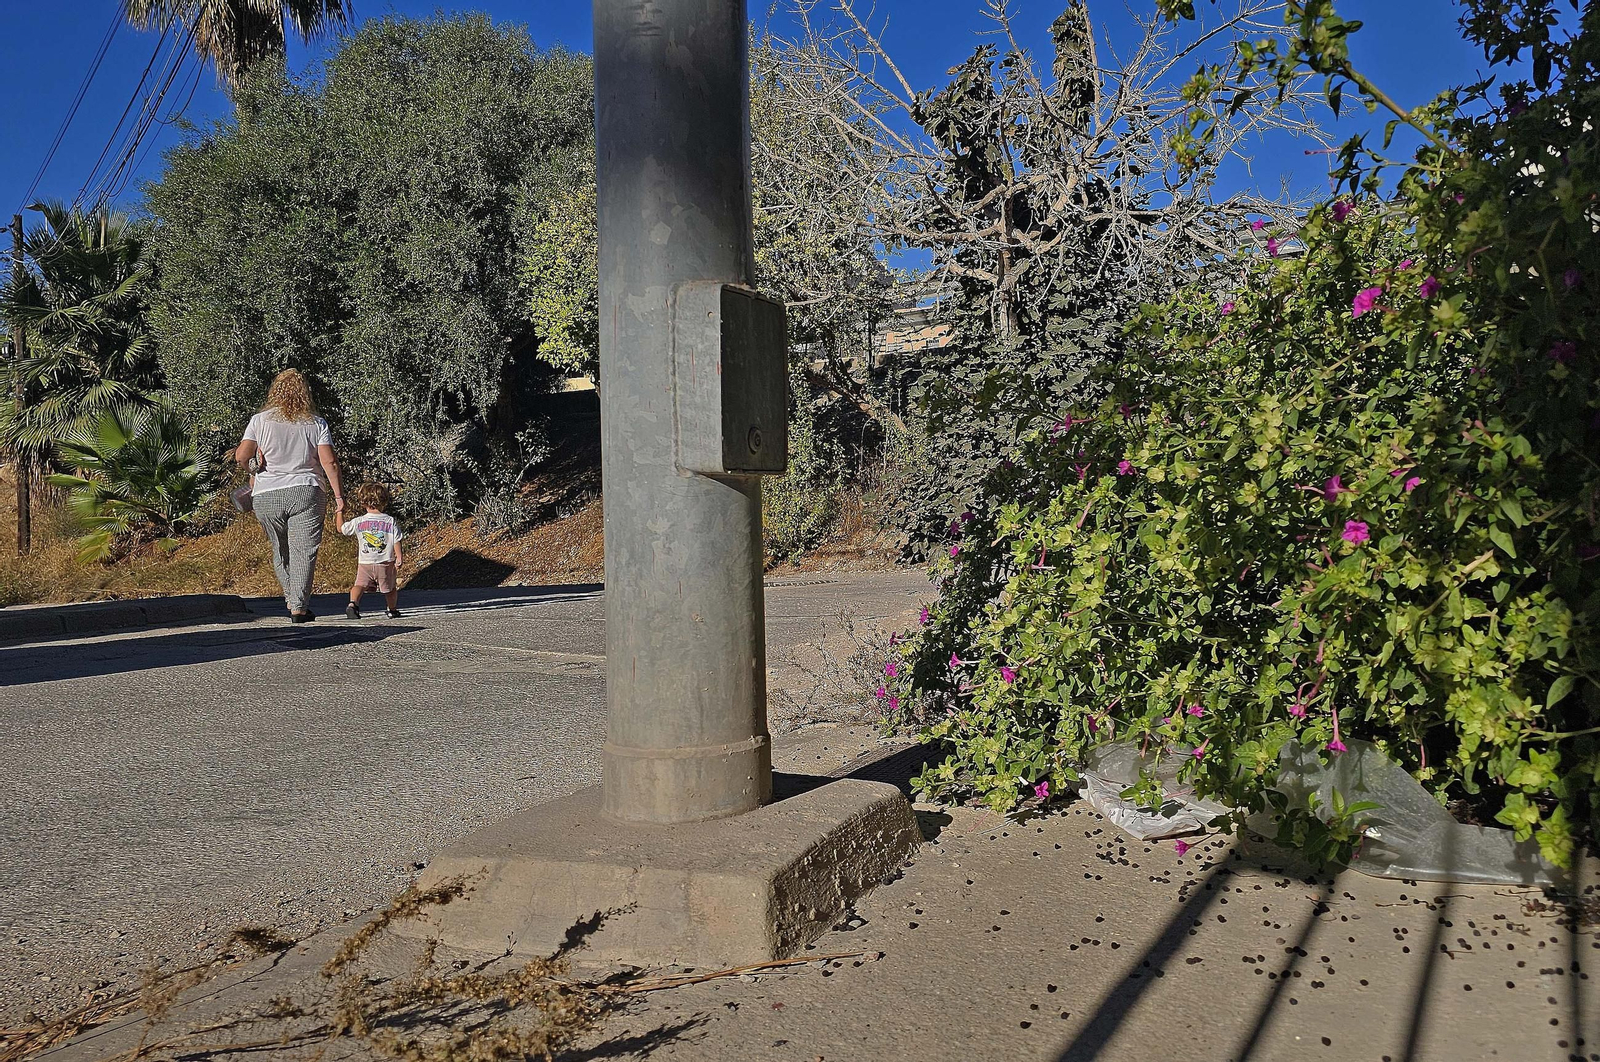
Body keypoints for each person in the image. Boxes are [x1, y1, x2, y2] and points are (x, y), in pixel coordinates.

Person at [235, 369, 344, 623]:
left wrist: (253, 468)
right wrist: (339, 498)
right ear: (305, 393)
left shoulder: (259, 421)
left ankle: (292, 598)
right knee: (303, 551)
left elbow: (242, 456)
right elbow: (329, 462)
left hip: (266, 494)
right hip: (306, 490)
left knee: (280, 548)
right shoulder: (316, 423)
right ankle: (298, 607)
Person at [340, 483, 405, 619]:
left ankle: (353, 604)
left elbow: (341, 529)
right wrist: (399, 557)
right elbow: (396, 540)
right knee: (390, 589)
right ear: (385, 500)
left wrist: (339, 511)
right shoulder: (390, 521)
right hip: (385, 562)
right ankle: (392, 610)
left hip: (365, 562)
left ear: (363, 502)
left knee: (359, 585)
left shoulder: (359, 521)